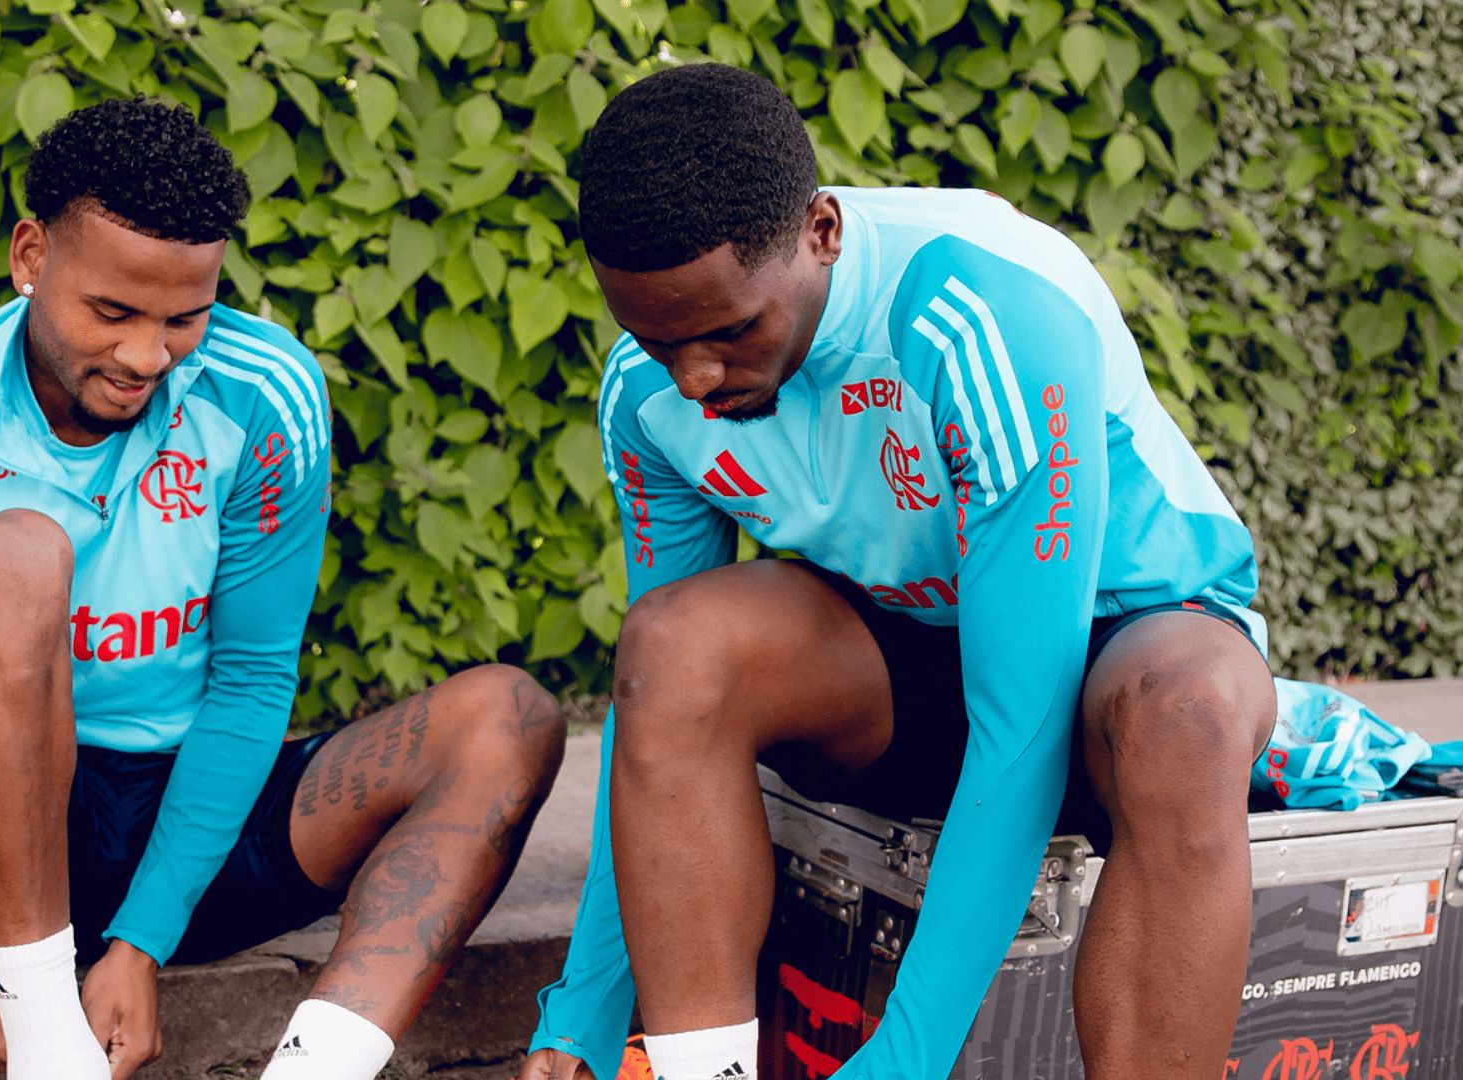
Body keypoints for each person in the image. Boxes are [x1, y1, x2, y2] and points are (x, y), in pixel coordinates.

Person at [0, 98, 565, 1080]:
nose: (147, 356)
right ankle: (47, 1035)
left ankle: (317, 1069)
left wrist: (142, 940)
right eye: (111, 312)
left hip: (188, 810)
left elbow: (254, 680)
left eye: (186, 316)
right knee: (9, 556)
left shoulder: (266, 393)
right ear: (28, 257)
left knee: (507, 719)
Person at [519, 64, 1276, 1080]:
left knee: (1185, 715)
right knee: (671, 644)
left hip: (1113, 653)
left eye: (732, 330)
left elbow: (1023, 722)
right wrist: (583, 1012)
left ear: (820, 231)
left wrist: (905, 1057)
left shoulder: (980, 316)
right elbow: (655, 719)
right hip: (907, 659)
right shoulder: (646, 400)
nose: (696, 379)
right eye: (657, 341)